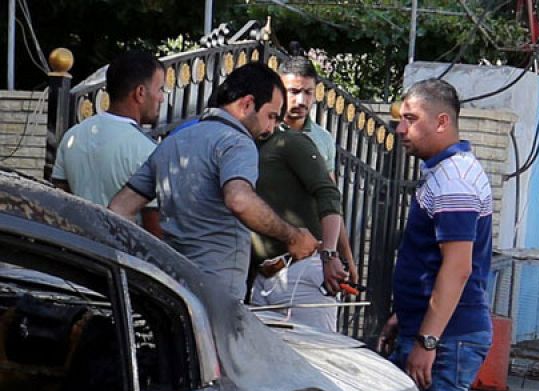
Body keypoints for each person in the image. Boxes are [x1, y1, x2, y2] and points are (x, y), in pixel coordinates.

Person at [376, 78, 494, 391]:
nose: (400, 129)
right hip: (439, 330)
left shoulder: (455, 182)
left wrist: (427, 340)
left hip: (449, 339)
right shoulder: (445, 174)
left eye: (410, 119)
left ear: (442, 122)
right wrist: (407, 315)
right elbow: (433, 265)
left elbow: (457, 269)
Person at [109, 62, 318, 297]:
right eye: (270, 116)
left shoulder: (174, 142)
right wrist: (293, 236)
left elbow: (118, 208)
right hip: (217, 296)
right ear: (247, 104)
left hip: (170, 286)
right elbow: (240, 200)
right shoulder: (238, 142)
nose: (270, 128)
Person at [249, 97, 349, 332]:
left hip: (300, 271)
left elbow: (329, 193)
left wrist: (331, 254)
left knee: (320, 360)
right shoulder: (240, 147)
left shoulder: (291, 142)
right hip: (259, 278)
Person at [51, 50, 165, 233]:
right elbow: (154, 230)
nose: (162, 97)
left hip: (77, 251)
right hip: (123, 256)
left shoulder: (73, 136)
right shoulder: (148, 151)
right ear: (140, 93)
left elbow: (59, 204)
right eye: (160, 89)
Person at [280, 56, 358, 282]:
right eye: (293, 91)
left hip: (311, 255)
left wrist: (346, 257)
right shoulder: (265, 131)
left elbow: (331, 200)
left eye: (308, 92)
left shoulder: (322, 139)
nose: (301, 100)